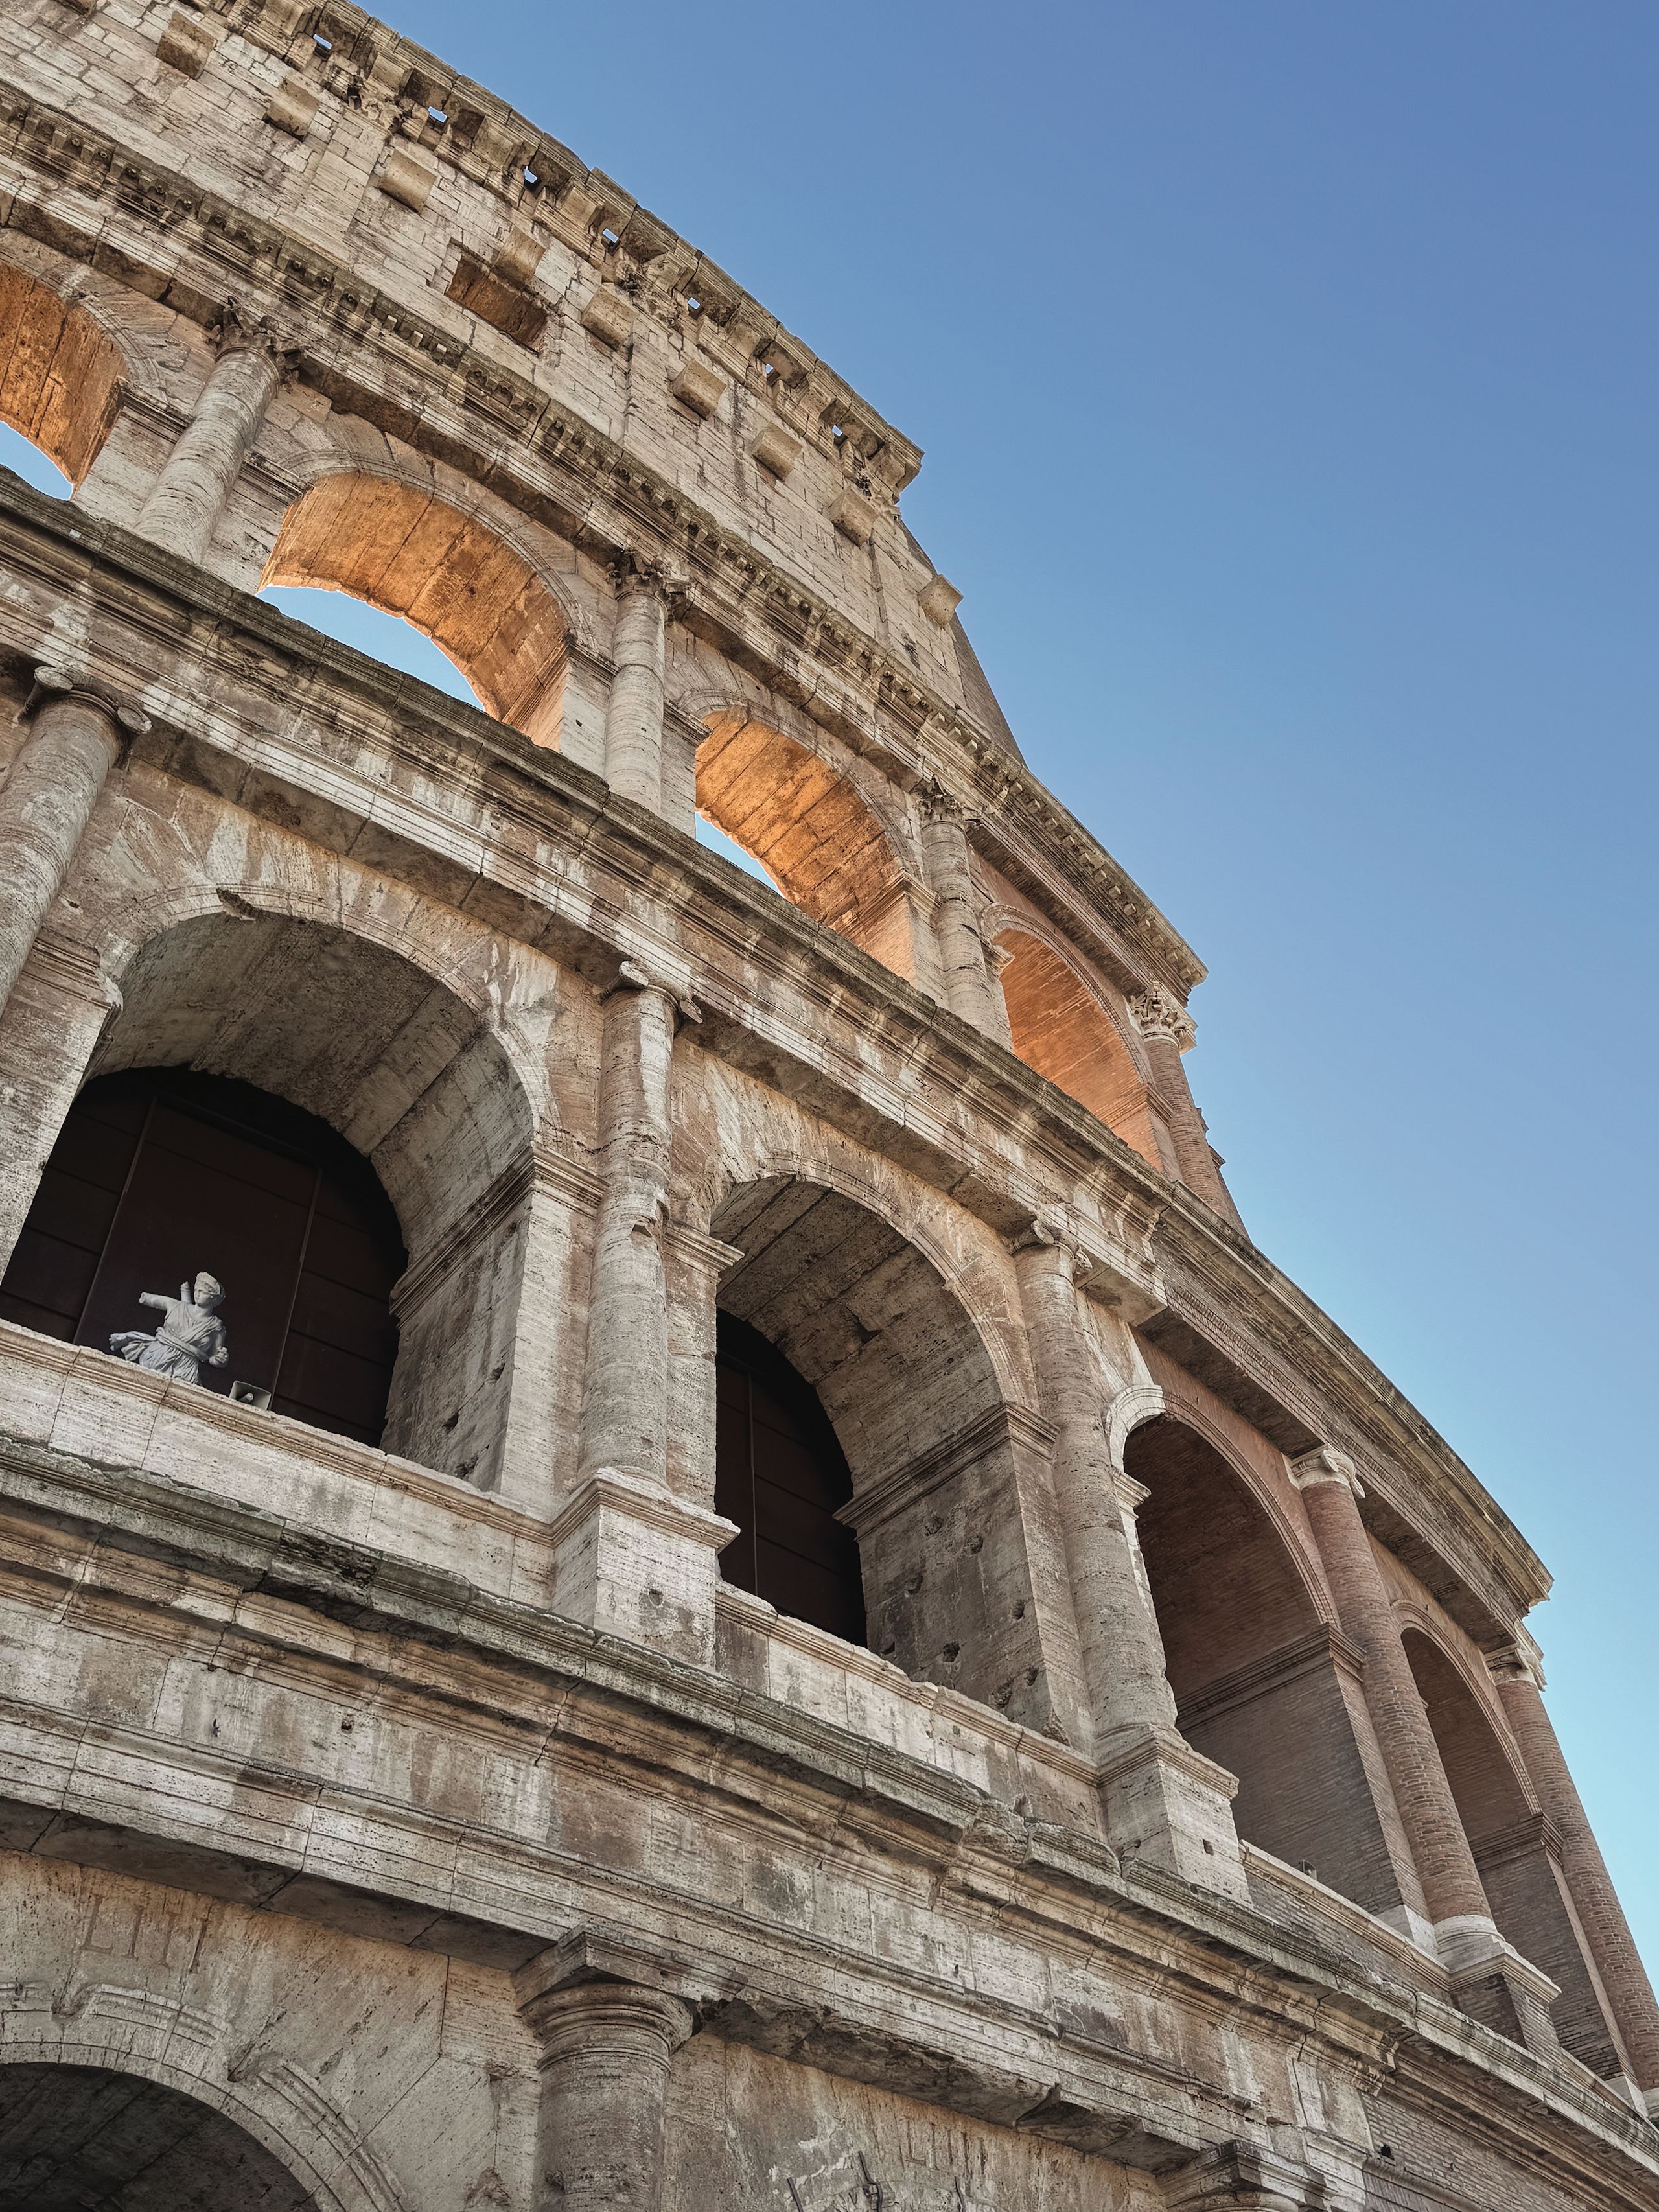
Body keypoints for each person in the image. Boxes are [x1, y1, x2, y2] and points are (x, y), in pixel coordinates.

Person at [110, 1270, 229, 1385]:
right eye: (196, 1290)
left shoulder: (216, 1327)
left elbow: (213, 1356)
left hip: (186, 1368)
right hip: (158, 1355)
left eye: (202, 1292)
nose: (197, 1294)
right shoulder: (175, 1305)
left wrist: (219, 1360)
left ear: (213, 1298)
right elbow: (147, 1298)